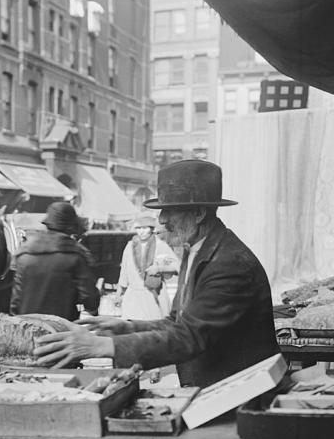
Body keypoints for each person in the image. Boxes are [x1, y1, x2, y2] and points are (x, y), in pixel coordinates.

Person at [34, 160, 279, 388]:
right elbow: (176, 322)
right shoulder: (198, 249)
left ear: (198, 213)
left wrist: (102, 345)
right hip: (220, 390)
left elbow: (189, 336)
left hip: (241, 395)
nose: (161, 220)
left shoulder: (228, 264)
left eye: (169, 211)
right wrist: (126, 327)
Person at [10, 201, 100, 321]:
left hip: (26, 327)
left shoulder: (24, 253)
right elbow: (90, 300)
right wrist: (93, 309)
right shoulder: (76, 255)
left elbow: (15, 302)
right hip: (60, 331)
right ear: (70, 226)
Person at [116, 213, 179, 320]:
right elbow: (124, 273)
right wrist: (119, 294)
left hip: (153, 296)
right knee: (130, 330)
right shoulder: (129, 246)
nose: (141, 231)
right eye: (138, 228)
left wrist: (159, 269)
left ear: (151, 229)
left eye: (145, 228)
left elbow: (177, 267)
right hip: (133, 297)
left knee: (153, 330)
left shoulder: (161, 246)